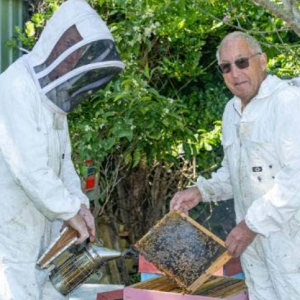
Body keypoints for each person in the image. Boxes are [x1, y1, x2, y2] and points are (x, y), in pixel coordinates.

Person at [0, 0, 124, 299]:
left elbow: (64, 162)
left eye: (79, 50)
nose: (72, 56)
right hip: (9, 227)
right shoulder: (15, 86)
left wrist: (80, 204)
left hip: (42, 224)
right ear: (52, 40)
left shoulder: (54, 96)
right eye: (69, 44)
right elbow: (29, 169)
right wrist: (68, 210)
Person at [170, 31, 300, 300]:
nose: (235, 73)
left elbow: (296, 178)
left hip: (292, 241)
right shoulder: (232, 111)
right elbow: (235, 172)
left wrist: (250, 225)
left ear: (262, 61)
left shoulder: (288, 103)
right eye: (226, 67)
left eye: (242, 62)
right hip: (255, 246)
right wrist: (201, 191)